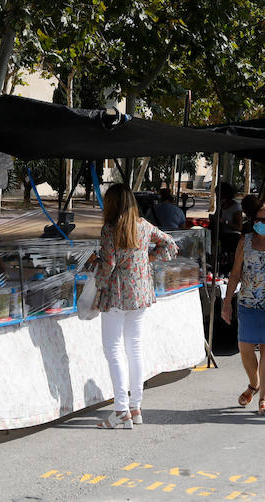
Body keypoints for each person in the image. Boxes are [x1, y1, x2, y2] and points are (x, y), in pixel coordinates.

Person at [93, 183, 177, 429]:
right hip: (140, 291)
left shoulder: (110, 229)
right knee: (135, 347)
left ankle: (120, 410)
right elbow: (171, 245)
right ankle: (135, 408)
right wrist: (149, 258)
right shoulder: (144, 226)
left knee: (113, 348)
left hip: (117, 292)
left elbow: (107, 266)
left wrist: (96, 285)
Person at [221, 204, 265, 416]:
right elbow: (235, 274)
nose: (259, 224)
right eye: (256, 219)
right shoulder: (246, 241)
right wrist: (226, 302)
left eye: (264, 220)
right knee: (245, 349)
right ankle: (254, 383)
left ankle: (264, 399)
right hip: (247, 303)